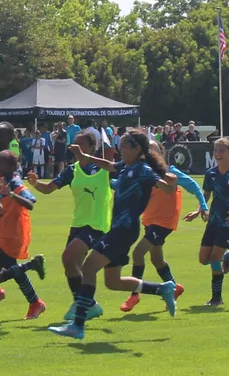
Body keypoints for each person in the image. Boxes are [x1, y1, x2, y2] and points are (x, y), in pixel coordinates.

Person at [49, 131, 179, 340]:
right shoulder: (126, 167)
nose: (121, 149)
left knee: (89, 267)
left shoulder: (144, 170)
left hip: (124, 229)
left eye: (125, 146)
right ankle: (162, 289)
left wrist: (172, 182)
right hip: (119, 228)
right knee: (113, 281)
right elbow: (108, 165)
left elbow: (167, 189)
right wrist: (85, 156)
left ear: (137, 149)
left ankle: (78, 324)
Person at [26, 131, 110, 321]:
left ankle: (83, 306)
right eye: (74, 144)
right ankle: (90, 305)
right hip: (78, 224)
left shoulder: (103, 168)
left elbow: (118, 179)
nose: (75, 148)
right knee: (72, 267)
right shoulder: (72, 170)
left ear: (91, 147)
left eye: (80, 145)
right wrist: (35, 183)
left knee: (68, 258)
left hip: (96, 225)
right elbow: (49, 188)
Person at [120, 141, 208, 312]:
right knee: (157, 259)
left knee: (138, 252)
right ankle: (174, 288)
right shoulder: (144, 172)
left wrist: (203, 207)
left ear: (161, 152)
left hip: (164, 222)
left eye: (153, 150)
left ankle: (134, 294)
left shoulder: (171, 172)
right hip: (150, 220)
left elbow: (194, 186)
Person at [0, 151, 47, 323]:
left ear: (8, 166)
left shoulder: (15, 182)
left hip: (12, 237)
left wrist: (11, 194)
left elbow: (31, 202)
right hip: (2, 234)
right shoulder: (0, 180)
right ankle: (34, 301)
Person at [182, 138, 229, 306]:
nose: (217, 154)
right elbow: (205, 196)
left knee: (214, 259)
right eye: (216, 150)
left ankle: (216, 298)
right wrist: (199, 210)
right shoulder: (211, 173)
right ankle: (226, 256)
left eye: (221, 151)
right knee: (203, 259)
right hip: (213, 220)